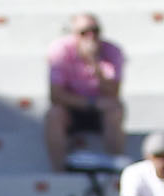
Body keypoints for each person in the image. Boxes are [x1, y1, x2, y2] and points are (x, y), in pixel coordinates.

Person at [43, 12, 125, 171]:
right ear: (74, 35)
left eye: (95, 31)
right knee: (54, 115)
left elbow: (114, 92)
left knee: (115, 110)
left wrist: (94, 64)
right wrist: (90, 103)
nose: (90, 36)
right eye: (84, 32)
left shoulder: (112, 51)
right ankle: (59, 170)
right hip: (74, 109)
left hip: (101, 111)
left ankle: (114, 165)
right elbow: (56, 95)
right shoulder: (60, 51)